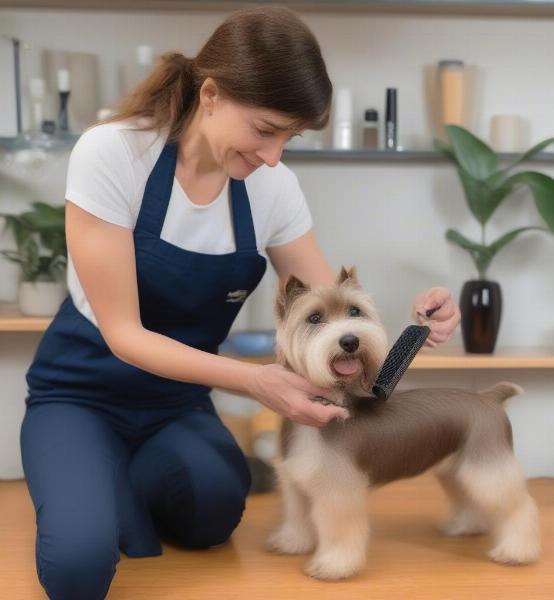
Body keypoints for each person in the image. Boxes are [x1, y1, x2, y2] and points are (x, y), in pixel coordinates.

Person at [20, 6, 461, 600]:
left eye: (290, 138)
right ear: (211, 94)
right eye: (265, 129)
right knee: (78, 569)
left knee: (213, 513)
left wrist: (412, 329)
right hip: (80, 393)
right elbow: (123, 335)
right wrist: (256, 383)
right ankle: (89, 481)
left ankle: (112, 480)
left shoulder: (272, 188)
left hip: (176, 403)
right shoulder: (114, 154)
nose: (275, 155)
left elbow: (333, 320)